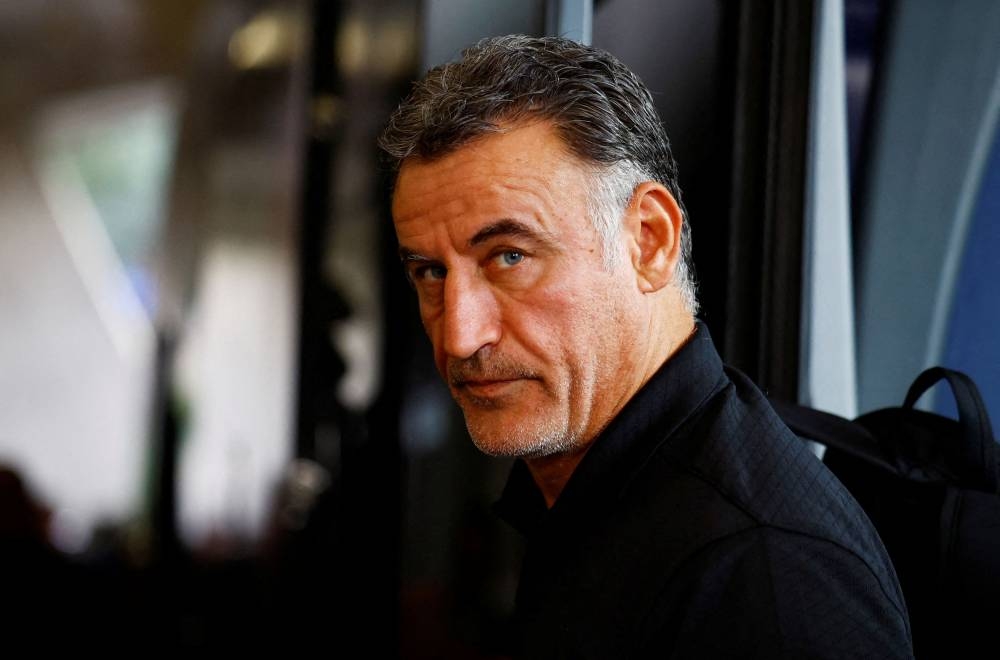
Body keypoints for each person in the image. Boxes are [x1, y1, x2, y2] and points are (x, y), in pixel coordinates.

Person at [379, 34, 914, 659]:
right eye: (431, 273)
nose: (460, 335)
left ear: (649, 241)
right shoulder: (596, 499)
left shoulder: (761, 571)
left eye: (509, 256)